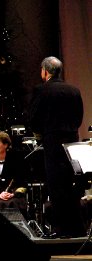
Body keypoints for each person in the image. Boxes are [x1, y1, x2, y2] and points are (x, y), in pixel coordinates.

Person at [29, 56, 85, 238]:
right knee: (71, 185)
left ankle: (61, 230)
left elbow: (33, 118)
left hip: (52, 142)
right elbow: (79, 118)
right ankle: (77, 228)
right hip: (72, 143)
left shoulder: (41, 90)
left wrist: (40, 133)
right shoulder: (74, 90)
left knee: (56, 186)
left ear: (45, 71)